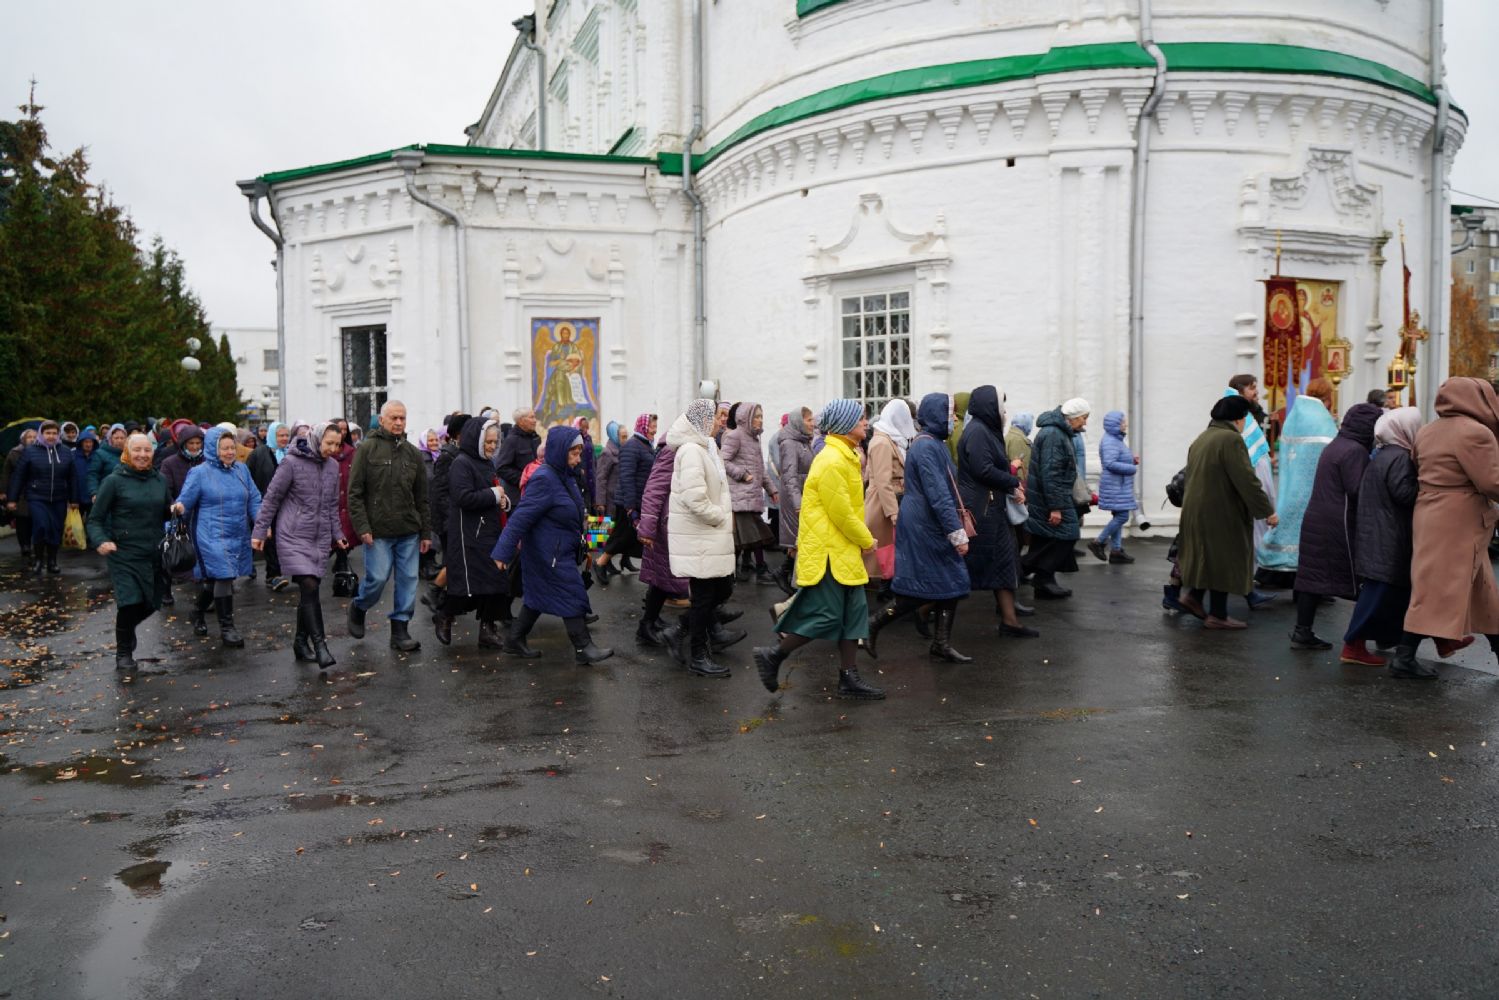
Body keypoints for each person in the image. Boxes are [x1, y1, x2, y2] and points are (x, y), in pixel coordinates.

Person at [754, 400, 885, 698]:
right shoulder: (832, 460)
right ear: (844, 425)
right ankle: (772, 655)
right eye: (860, 419)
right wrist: (866, 540)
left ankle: (848, 677)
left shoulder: (845, 454)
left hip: (841, 549)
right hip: (829, 553)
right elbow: (842, 514)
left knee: (854, 613)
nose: (865, 423)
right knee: (826, 615)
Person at [1392, 378, 1499, 679]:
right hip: (1460, 521)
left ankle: (1405, 657)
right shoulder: (1475, 432)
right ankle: (1403, 658)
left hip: (1431, 514)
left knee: (1479, 592)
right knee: (1437, 590)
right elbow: (1491, 482)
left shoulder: (1427, 431)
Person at [864, 393, 973, 661]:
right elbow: (938, 494)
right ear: (937, 415)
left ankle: (940, 643)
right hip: (925, 526)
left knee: (950, 583)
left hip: (928, 522)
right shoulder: (926, 447)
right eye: (949, 414)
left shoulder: (932, 443)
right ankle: (873, 624)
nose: (953, 419)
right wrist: (957, 533)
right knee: (919, 588)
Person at [492, 426, 611, 664]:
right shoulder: (544, 479)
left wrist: (591, 539)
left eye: (579, 453)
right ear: (559, 451)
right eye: (574, 454)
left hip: (559, 549)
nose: (578, 459)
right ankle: (583, 647)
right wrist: (502, 552)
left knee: (536, 599)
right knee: (572, 592)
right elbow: (521, 517)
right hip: (547, 553)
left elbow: (574, 511)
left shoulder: (565, 475)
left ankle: (514, 640)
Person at [1343, 408, 1454, 663]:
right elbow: (1404, 494)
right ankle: (1353, 645)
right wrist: (1428, 486)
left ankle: (1442, 641)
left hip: (1379, 534)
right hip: (1388, 538)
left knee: (1395, 595)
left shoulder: (1384, 454)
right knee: (1377, 595)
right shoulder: (1400, 457)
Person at [1287, 402, 1383, 652]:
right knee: (1359, 581)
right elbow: (1358, 489)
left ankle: (1302, 631)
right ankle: (1367, 638)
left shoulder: (1337, 444)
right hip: (1338, 522)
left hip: (1317, 517)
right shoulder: (1355, 451)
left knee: (1312, 577)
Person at [249, 423, 347, 668]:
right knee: (309, 585)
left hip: (319, 536)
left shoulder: (333, 466)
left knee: (309, 591)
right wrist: (260, 530)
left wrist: (338, 534)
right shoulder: (291, 463)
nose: (333, 449)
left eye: (337, 444)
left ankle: (300, 643)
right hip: (293, 533)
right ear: (317, 439)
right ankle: (320, 646)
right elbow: (271, 498)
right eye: (329, 443)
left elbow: (332, 505)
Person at [1175, 396, 1278, 628]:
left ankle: (1194, 597)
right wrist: (1267, 511)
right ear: (1239, 418)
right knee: (1225, 558)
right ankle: (1218, 615)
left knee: (1210, 558)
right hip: (1220, 511)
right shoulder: (1231, 439)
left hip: (1197, 510)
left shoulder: (1203, 437)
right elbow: (1246, 480)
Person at [659, 399, 740, 677]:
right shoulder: (692, 451)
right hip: (700, 535)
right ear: (703, 420)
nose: (721, 421)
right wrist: (718, 516)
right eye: (717, 417)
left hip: (709, 535)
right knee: (705, 597)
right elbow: (694, 498)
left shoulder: (707, 446)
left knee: (721, 590)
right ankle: (699, 656)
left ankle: (678, 630)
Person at [345, 400, 432, 652]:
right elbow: (354, 493)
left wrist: (426, 532)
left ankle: (400, 630)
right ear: (381, 420)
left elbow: (422, 497)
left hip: (408, 530)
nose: (398, 422)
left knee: (408, 581)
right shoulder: (367, 449)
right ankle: (359, 606)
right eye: (394, 418)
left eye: (402, 418)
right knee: (378, 578)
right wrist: (363, 527)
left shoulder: (413, 453)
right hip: (378, 530)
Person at [88, 432, 173, 673]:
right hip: (124, 553)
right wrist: (101, 540)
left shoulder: (160, 480)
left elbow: (164, 511)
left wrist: (174, 509)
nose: (142, 455)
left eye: (147, 450)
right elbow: (95, 519)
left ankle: (126, 629)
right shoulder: (113, 481)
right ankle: (123, 652)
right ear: (127, 452)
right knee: (129, 602)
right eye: (137, 450)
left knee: (152, 602)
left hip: (154, 552)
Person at [957, 385, 1036, 638]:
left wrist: (1010, 486)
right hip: (982, 512)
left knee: (1004, 562)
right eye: (1001, 406)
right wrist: (1012, 481)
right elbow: (983, 469)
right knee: (964, 568)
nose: (1004, 412)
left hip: (992, 509)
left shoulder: (986, 430)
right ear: (989, 406)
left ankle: (1010, 621)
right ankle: (922, 611)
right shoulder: (978, 431)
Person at [174, 427, 262, 647]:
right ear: (214, 449)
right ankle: (227, 628)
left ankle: (197, 612)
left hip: (237, 532)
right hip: (210, 535)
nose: (230, 452)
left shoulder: (242, 470)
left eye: (232, 447)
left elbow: (254, 498)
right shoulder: (199, 473)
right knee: (224, 576)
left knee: (214, 580)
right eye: (224, 448)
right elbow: (184, 502)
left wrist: (261, 524)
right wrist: (179, 510)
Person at [433, 417, 512, 648]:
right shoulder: (462, 463)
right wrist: (494, 495)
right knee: (468, 586)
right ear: (475, 439)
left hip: (489, 531)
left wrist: (503, 501)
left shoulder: (487, 462)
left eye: (495, 442)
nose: (492, 446)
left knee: (496, 582)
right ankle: (445, 615)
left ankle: (487, 629)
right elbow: (463, 497)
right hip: (469, 535)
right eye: (488, 442)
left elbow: (494, 491)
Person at [1257, 378, 1337, 577]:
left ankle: (1275, 567)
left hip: (1291, 484)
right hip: (1312, 489)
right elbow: (1334, 451)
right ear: (1327, 399)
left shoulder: (1294, 416)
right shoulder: (1322, 420)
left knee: (1288, 520)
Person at [1022, 399, 1089, 598]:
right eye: (1084, 418)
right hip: (1050, 499)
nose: (1085, 422)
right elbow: (1051, 474)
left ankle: (1044, 581)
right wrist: (1056, 507)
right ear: (1073, 417)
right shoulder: (1054, 434)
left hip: (1048, 497)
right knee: (1067, 535)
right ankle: (1021, 570)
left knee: (1045, 540)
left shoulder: (1057, 432)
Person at [1224, 376, 1279, 608]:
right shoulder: (1236, 415)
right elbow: (1245, 459)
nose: (1256, 392)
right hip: (1249, 482)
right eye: (1252, 388)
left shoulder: (1248, 412)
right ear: (1239, 390)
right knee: (1251, 530)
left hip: (1255, 478)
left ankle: (1248, 585)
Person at [635, 431, 692, 650]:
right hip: (666, 522)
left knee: (661, 575)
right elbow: (655, 487)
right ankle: (648, 625)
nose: (722, 421)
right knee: (663, 574)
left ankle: (650, 622)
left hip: (675, 522)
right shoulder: (672, 449)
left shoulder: (694, 446)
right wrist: (646, 527)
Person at [7, 420, 78, 575]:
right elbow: (19, 476)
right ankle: (39, 560)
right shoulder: (30, 451)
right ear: (41, 434)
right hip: (37, 496)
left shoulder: (66, 451)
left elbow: (73, 477)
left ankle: (52, 561)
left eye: (54, 433)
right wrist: (12, 499)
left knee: (56, 529)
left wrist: (74, 499)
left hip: (59, 497)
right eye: (48, 433)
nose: (51, 436)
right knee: (41, 526)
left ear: (58, 435)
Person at [720, 402, 779, 584]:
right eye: (757, 416)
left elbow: (760, 469)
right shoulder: (735, 436)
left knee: (744, 539)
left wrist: (772, 489)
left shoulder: (754, 439)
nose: (760, 420)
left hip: (752, 496)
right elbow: (722, 460)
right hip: (740, 496)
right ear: (746, 418)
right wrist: (742, 474)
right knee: (755, 535)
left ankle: (734, 572)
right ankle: (759, 570)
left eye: (761, 416)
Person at [594, 413, 656, 584]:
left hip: (629, 498)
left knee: (625, 535)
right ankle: (600, 562)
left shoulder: (644, 445)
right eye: (622, 436)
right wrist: (600, 502)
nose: (654, 430)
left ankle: (620, 560)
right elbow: (602, 478)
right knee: (616, 534)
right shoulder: (614, 450)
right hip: (619, 499)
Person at [864, 399, 914, 596]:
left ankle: (888, 589)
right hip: (883, 502)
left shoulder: (889, 439)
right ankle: (886, 591)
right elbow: (882, 481)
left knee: (889, 550)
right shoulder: (882, 442)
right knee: (884, 550)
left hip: (889, 498)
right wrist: (893, 512)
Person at [425, 412, 471, 604]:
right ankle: (435, 593)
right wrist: (451, 520)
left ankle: (443, 598)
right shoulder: (448, 456)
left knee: (456, 559)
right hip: (449, 520)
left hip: (456, 517)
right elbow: (440, 493)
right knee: (455, 559)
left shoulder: (460, 453)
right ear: (459, 433)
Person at [1088, 410, 1137, 564]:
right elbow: (1110, 463)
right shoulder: (1110, 441)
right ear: (1115, 424)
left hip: (1117, 485)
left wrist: (1131, 460)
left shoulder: (1115, 439)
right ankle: (1098, 542)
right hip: (1115, 485)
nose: (1125, 424)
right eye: (1123, 422)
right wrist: (1131, 468)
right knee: (1123, 516)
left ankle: (1116, 551)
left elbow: (1116, 458)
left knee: (1119, 516)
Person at [776, 407, 816, 592]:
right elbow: (789, 475)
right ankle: (789, 576)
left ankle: (787, 574)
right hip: (795, 499)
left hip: (803, 495)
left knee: (799, 541)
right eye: (808, 420)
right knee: (797, 541)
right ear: (799, 422)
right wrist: (797, 503)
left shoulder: (803, 441)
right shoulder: (790, 443)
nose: (813, 423)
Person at [247, 421, 291, 591]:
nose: (284, 438)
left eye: (286, 435)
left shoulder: (290, 454)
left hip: (286, 505)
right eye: (280, 435)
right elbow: (249, 477)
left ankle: (284, 572)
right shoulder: (259, 454)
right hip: (264, 504)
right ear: (272, 436)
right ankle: (273, 575)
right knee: (269, 539)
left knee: (282, 539)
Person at [2, 428, 38, 561]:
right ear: (23, 439)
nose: (32, 439)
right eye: (29, 437)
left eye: (35, 437)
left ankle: (36, 545)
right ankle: (25, 545)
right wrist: (3, 491)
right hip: (19, 492)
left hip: (37, 491)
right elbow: (6, 473)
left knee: (36, 519)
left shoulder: (43, 451)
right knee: (22, 520)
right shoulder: (14, 453)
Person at [495, 408, 541, 498]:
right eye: (531, 417)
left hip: (536, 491)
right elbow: (501, 468)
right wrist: (524, 478)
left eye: (534, 417)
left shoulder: (536, 438)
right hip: (517, 496)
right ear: (521, 421)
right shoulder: (511, 440)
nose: (535, 420)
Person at [87, 424, 125, 501]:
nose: (119, 440)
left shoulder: (130, 454)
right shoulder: (100, 453)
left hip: (125, 495)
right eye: (116, 438)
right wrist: (94, 492)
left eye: (122, 438)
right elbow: (93, 474)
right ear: (110, 439)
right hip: (106, 495)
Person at [595, 420, 622, 515]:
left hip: (619, 499)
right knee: (608, 523)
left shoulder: (620, 449)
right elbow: (601, 478)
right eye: (617, 433)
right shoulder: (607, 452)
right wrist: (600, 503)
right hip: (610, 500)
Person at [71, 429, 98, 521]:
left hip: (93, 497)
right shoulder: (73, 456)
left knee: (92, 522)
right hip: (77, 497)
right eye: (86, 442)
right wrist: (73, 499)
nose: (88, 444)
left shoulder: (98, 456)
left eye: (90, 442)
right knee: (76, 525)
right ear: (81, 443)